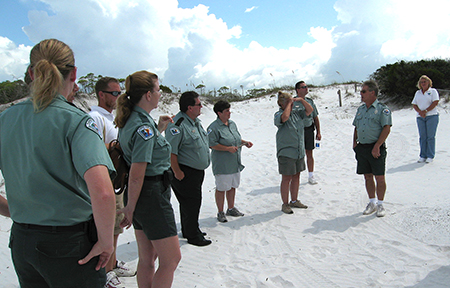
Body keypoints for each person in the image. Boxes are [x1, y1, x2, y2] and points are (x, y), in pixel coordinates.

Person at [0, 39, 116, 287]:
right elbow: (104, 193)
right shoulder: (75, 121)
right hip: (69, 245)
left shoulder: (5, 119)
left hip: (22, 241)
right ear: (74, 74)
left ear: (31, 73)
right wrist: (106, 242)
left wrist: (20, 212)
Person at [115, 70, 181, 288]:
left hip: (143, 196)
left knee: (147, 258)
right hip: (150, 195)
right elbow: (137, 172)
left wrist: (158, 128)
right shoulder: (143, 127)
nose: (160, 93)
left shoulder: (135, 121)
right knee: (171, 259)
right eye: (157, 89)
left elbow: (143, 153)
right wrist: (130, 207)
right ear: (148, 95)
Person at [90, 77, 136, 288]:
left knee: (116, 227)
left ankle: (113, 264)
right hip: (106, 181)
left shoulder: (112, 117)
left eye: (120, 93)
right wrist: (115, 147)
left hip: (118, 179)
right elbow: (93, 150)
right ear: (101, 94)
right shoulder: (95, 117)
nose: (118, 97)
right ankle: (106, 273)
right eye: (114, 93)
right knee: (108, 228)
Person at [165, 91, 211, 246]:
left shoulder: (195, 122)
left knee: (191, 203)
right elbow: (171, 151)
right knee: (191, 203)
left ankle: (189, 229)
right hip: (185, 171)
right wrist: (177, 172)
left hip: (196, 171)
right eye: (198, 104)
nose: (201, 106)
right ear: (190, 107)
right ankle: (193, 236)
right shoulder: (177, 125)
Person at [207, 100, 253, 223]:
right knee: (222, 187)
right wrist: (227, 149)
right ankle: (220, 211)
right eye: (227, 111)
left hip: (235, 161)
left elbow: (235, 139)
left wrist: (245, 142)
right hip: (222, 163)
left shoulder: (232, 124)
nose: (229, 113)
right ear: (219, 113)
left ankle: (231, 208)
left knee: (233, 186)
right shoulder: (213, 127)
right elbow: (211, 144)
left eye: (229, 110)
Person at [353, 80, 392, 218]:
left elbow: (386, 129)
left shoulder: (382, 109)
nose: (361, 94)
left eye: (363, 91)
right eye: (361, 91)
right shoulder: (360, 109)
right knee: (367, 176)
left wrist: (377, 146)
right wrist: (354, 143)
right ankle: (372, 203)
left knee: (379, 177)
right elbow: (356, 127)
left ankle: (380, 204)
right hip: (362, 148)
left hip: (376, 147)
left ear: (372, 93)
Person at [274, 91, 313, 214]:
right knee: (286, 178)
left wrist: (301, 100)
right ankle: (285, 204)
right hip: (286, 152)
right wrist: (289, 105)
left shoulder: (297, 114)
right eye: (288, 101)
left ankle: (294, 200)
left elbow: (310, 110)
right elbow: (284, 118)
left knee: (296, 176)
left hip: (298, 151)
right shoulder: (278, 114)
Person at [294, 81, 321, 184]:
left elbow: (315, 117)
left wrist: (318, 132)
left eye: (306, 86)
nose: (306, 88)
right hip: (297, 131)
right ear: (298, 90)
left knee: (309, 153)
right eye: (303, 87)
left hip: (309, 129)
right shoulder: (293, 102)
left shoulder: (310, 101)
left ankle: (311, 175)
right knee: (298, 154)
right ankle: (296, 176)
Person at [412, 75, 439, 163]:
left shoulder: (433, 91)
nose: (423, 83)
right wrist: (420, 112)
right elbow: (414, 104)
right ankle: (423, 155)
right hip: (420, 117)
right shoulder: (418, 93)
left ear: (428, 82)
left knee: (430, 136)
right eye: (421, 82)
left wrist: (426, 111)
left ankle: (430, 155)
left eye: (425, 82)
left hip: (431, 116)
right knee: (422, 137)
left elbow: (435, 102)